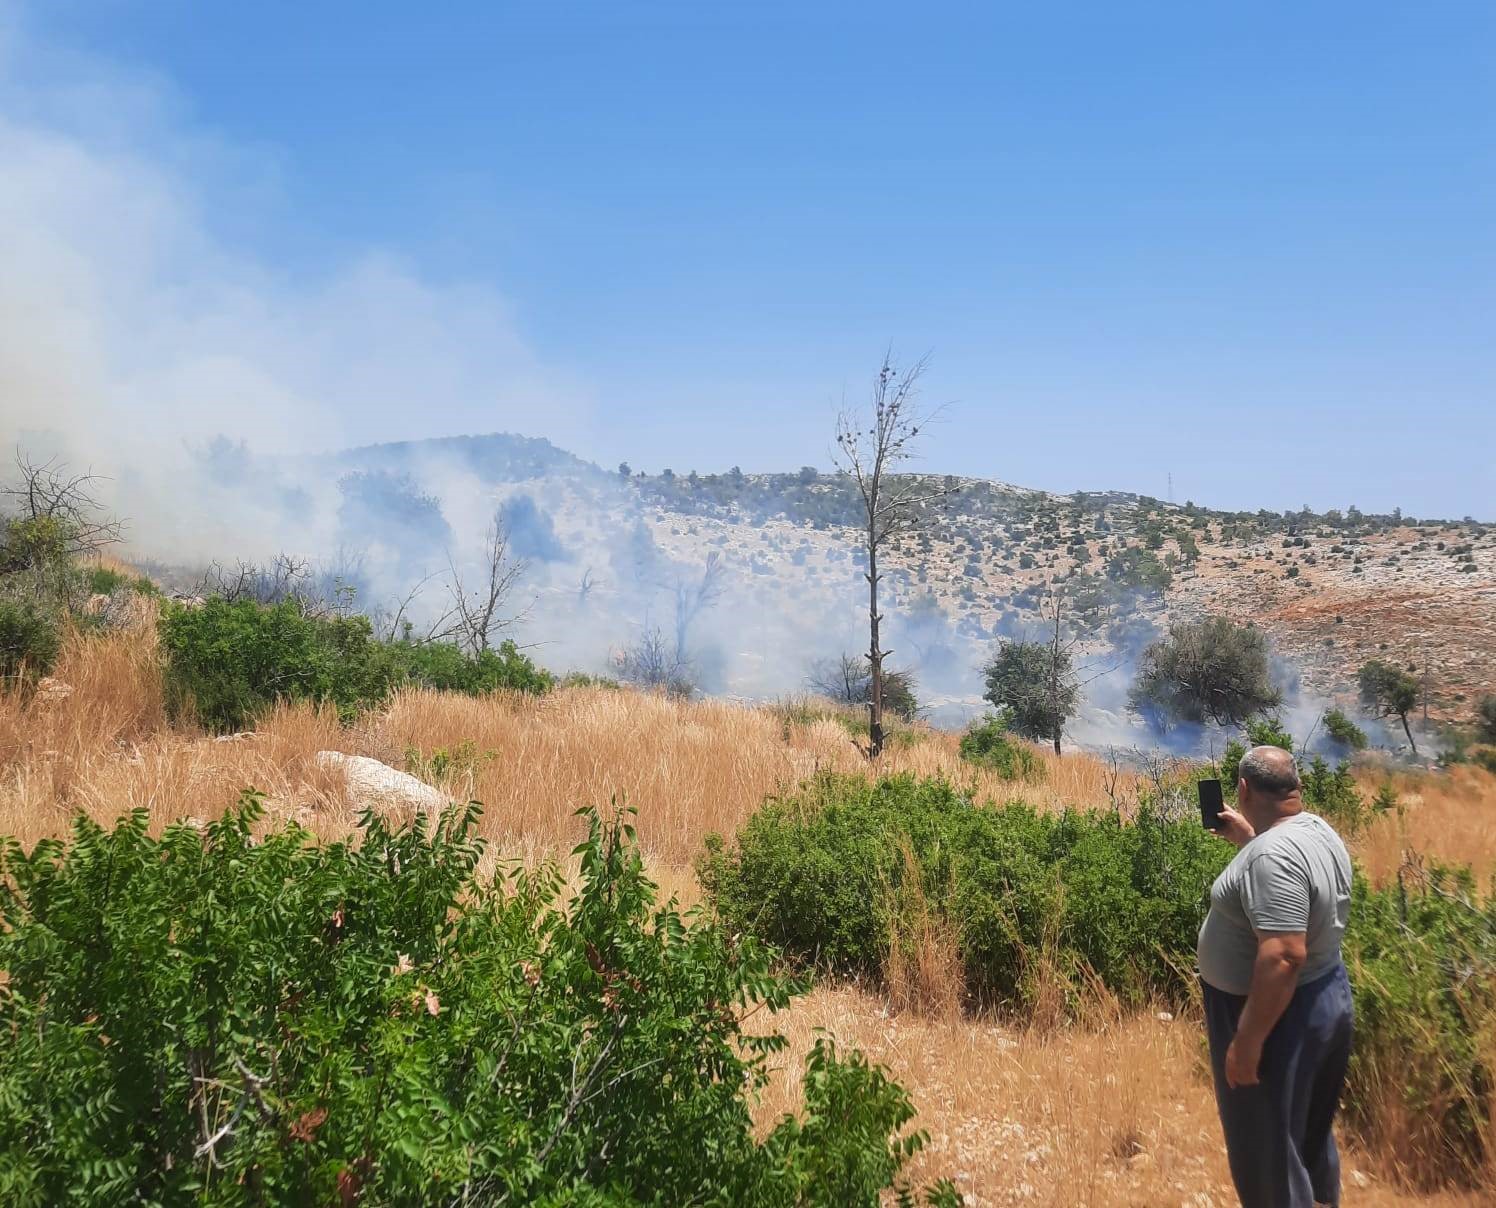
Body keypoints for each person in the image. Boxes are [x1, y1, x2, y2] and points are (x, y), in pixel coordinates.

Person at [1197, 745, 1354, 1208]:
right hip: (1324, 997)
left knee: (1268, 1157)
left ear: (1243, 789)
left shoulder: (1273, 856)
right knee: (1304, 1136)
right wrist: (1250, 840)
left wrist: (1248, 1042)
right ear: (1294, 787)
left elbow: (1284, 955)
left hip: (1276, 1014)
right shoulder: (1317, 831)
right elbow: (1292, 886)